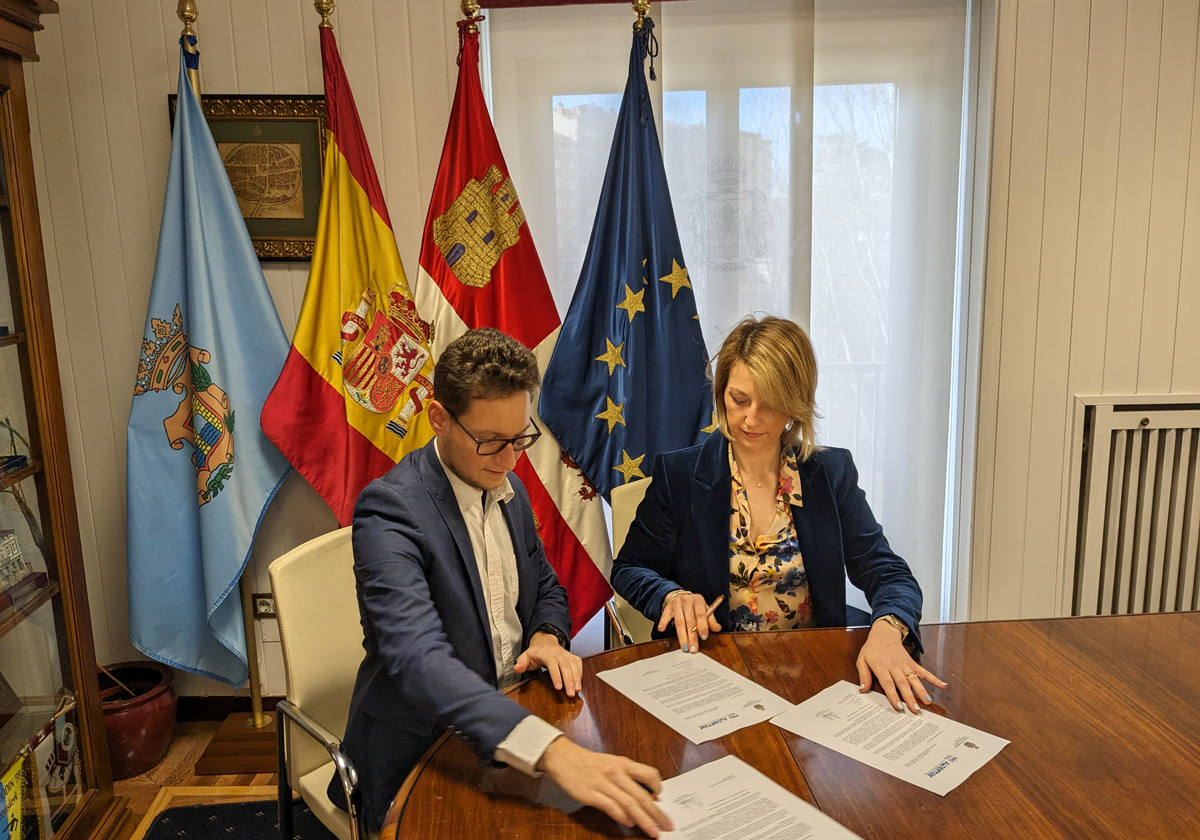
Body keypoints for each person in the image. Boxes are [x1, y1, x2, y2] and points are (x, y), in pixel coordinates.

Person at [331, 327, 671, 837]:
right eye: (491, 441)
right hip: (421, 749)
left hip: (514, 719)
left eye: (520, 439)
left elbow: (547, 589)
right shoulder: (390, 511)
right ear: (439, 419)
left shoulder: (504, 482)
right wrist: (550, 751)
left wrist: (545, 637)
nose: (511, 460)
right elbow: (418, 659)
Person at [611, 315, 947, 715]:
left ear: (795, 405)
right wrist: (672, 595)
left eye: (770, 405)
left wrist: (889, 628)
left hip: (812, 681)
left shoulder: (829, 474)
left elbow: (888, 572)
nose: (752, 419)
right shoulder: (680, 476)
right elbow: (629, 568)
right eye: (739, 400)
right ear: (720, 394)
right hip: (712, 676)